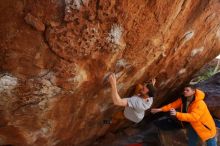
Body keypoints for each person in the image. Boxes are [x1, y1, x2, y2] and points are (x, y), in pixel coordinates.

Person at [151, 85, 217, 146]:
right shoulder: (184, 99)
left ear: (193, 91)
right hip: (192, 125)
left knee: (210, 142)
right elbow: (172, 105)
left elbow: (194, 117)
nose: (185, 92)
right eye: (184, 90)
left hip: (205, 127)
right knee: (191, 141)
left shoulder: (200, 103)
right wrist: (160, 109)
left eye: (187, 90)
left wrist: (177, 114)